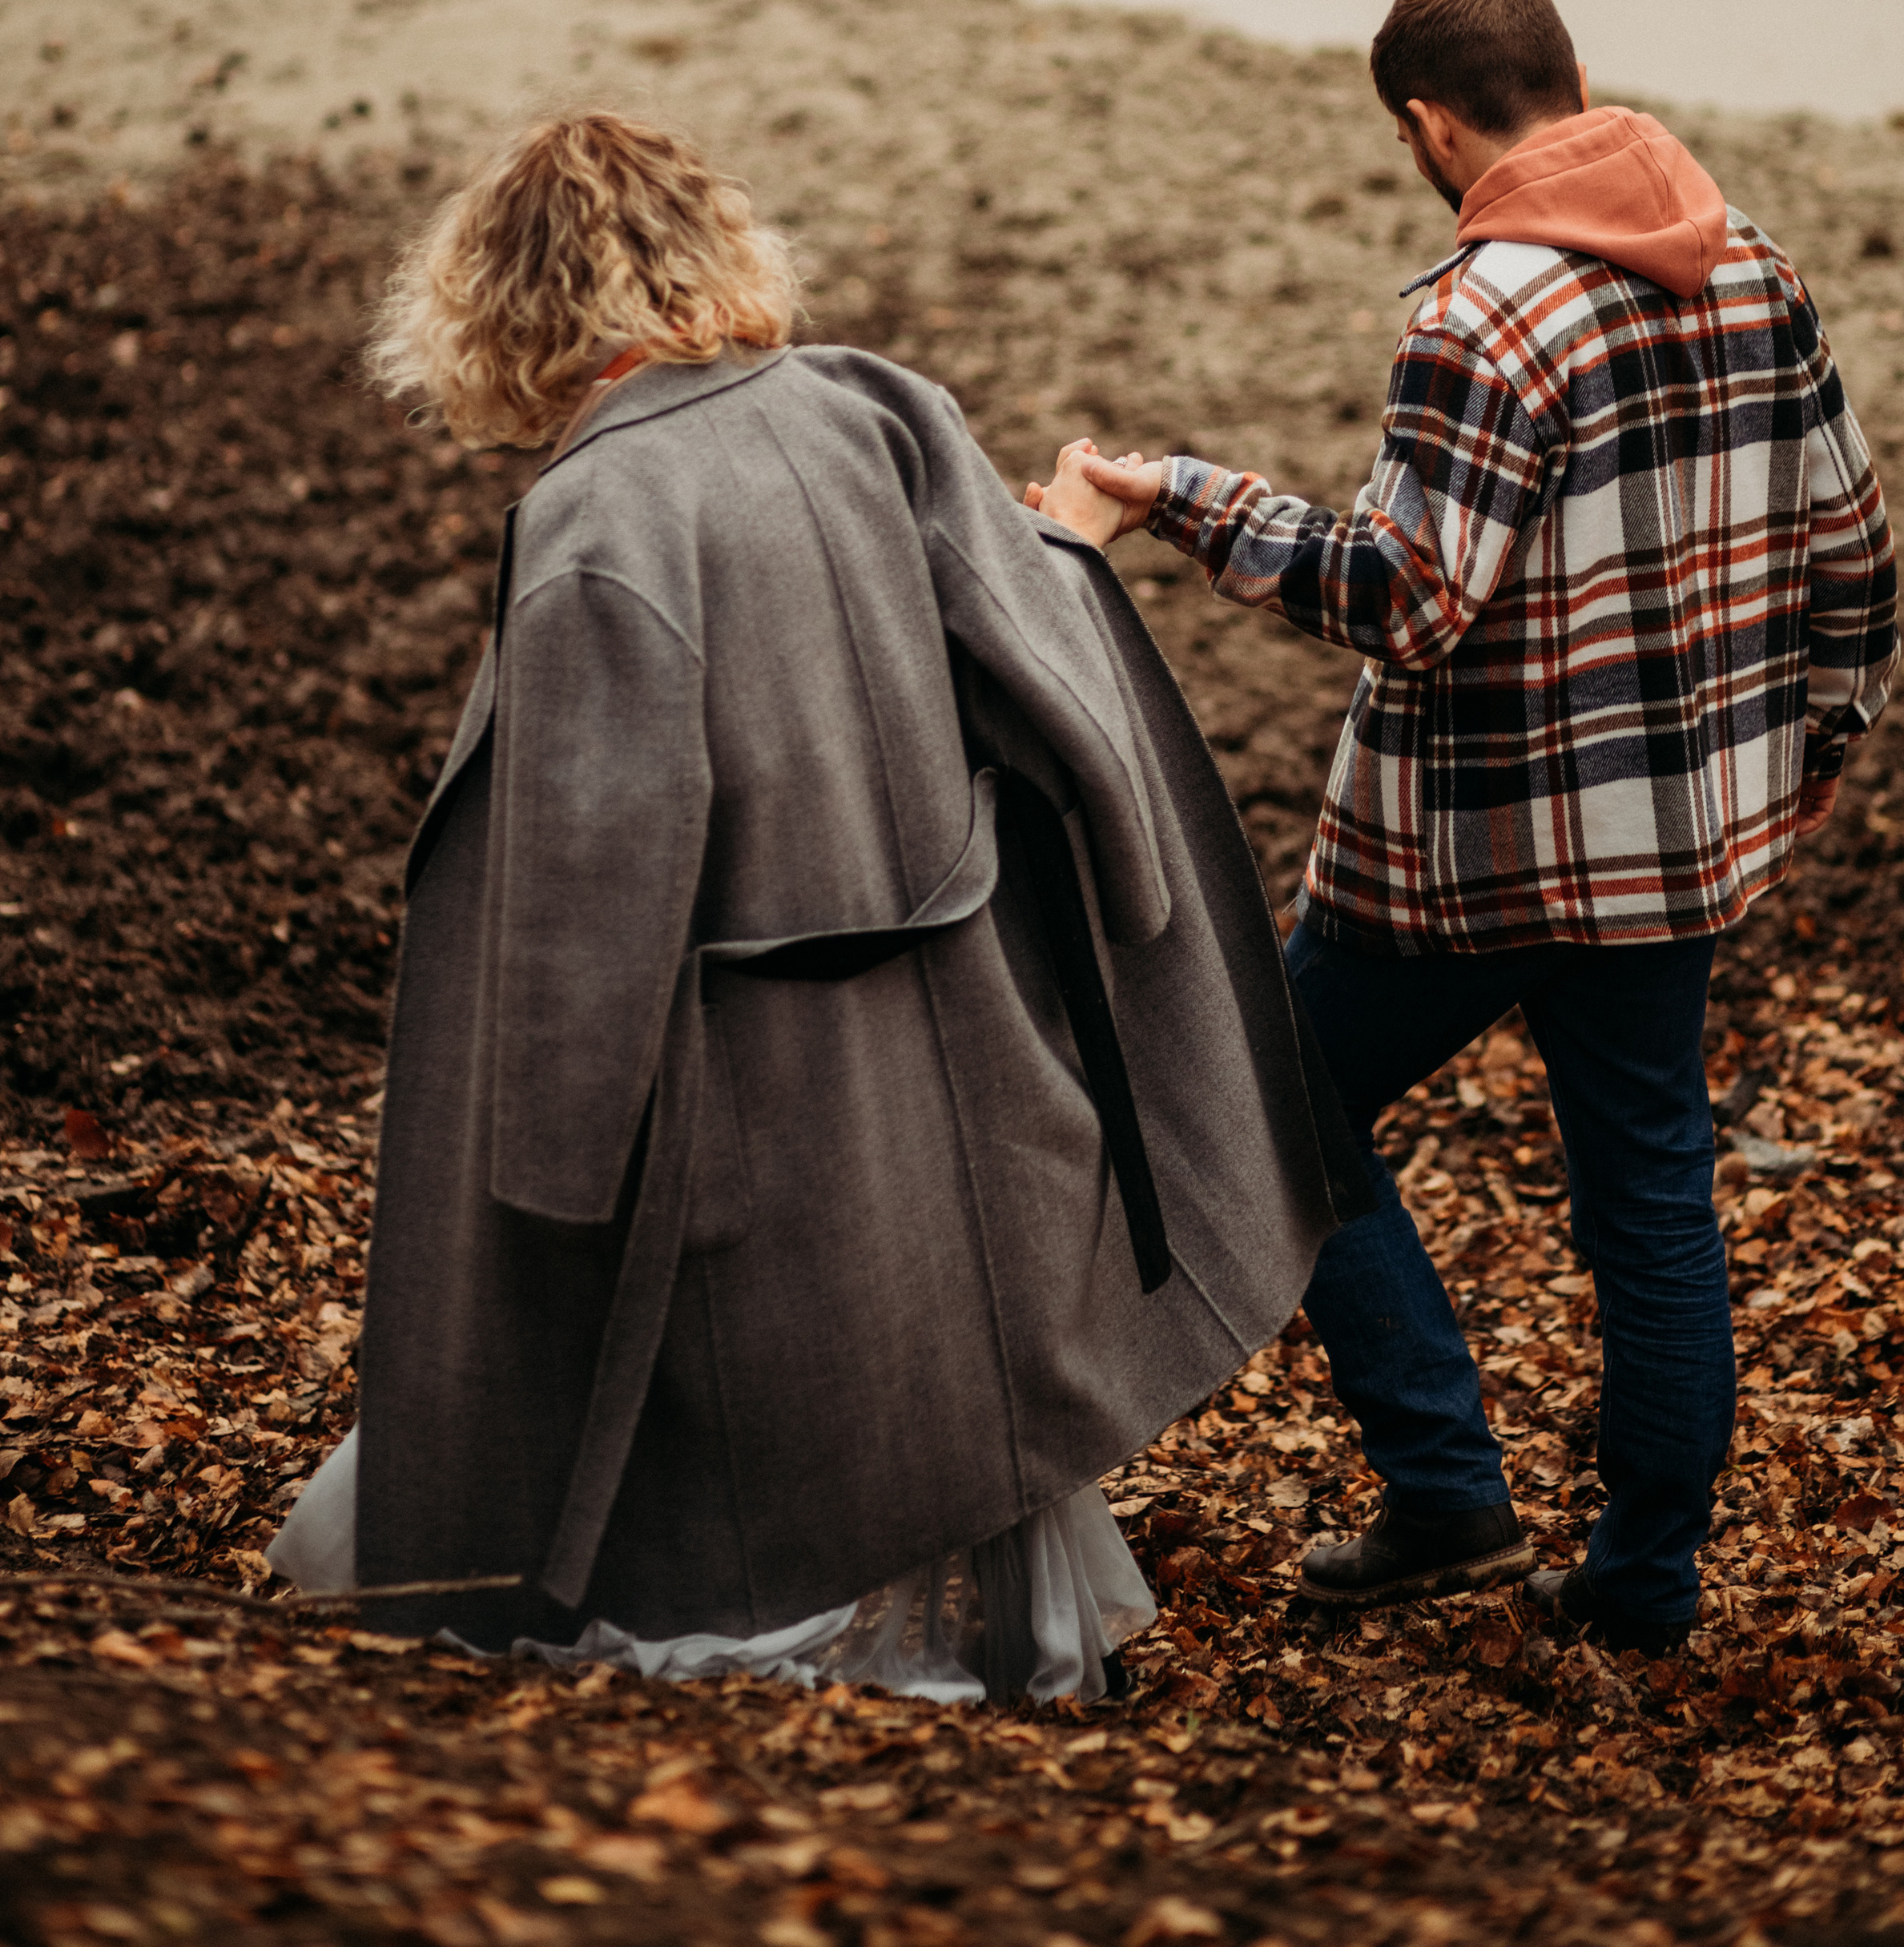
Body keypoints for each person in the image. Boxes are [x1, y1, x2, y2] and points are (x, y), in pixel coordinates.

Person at [268, 111, 1363, 1702]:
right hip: (953, 1029)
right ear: (708, 250)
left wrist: (541, 1190)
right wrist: (1116, 839)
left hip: (753, 1072)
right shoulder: (871, 406)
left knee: (743, 1410)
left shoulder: (598, 525)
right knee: (933, 1333)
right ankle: (958, 1666)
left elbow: (592, 889)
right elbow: (1039, 669)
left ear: (499, 306)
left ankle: (787, 1681)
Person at [1028, 0, 1898, 1655]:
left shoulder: (1479, 315)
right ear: (1567, 76)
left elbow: (1406, 599)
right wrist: (1789, 769)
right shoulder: (1752, 267)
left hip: (1469, 860)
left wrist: (1182, 502)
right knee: (1648, 1194)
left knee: (1273, 1098)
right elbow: (1849, 562)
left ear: (1431, 125)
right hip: (1666, 854)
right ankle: (1640, 1590)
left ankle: (1442, 1492)